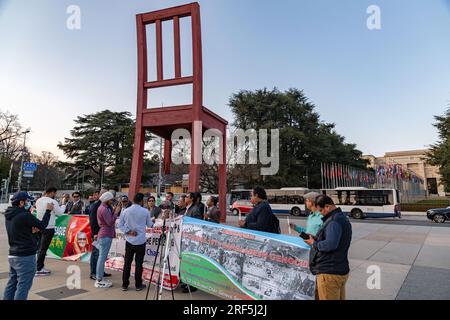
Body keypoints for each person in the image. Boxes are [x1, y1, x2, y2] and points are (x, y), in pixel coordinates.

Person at [3, 192, 54, 300]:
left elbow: (20, 231)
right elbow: (42, 225)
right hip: (25, 256)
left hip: (13, 254)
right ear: (21, 202)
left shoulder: (9, 215)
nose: (30, 203)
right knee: (23, 286)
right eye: (28, 201)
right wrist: (48, 211)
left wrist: (32, 232)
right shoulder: (24, 215)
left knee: (12, 283)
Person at [304, 195, 352, 300]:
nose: (320, 213)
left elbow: (330, 244)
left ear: (327, 207)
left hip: (329, 273)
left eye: (321, 210)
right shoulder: (341, 218)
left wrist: (314, 243)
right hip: (338, 269)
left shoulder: (333, 221)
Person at [118, 193, 153, 291]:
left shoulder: (126, 211)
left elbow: (120, 225)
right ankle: (138, 284)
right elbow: (150, 225)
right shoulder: (145, 211)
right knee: (139, 264)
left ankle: (124, 284)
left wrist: (128, 231)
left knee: (127, 263)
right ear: (142, 201)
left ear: (133, 200)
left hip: (129, 240)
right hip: (141, 241)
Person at [35, 187, 67, 276]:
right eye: (55, 193)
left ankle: (38, 266)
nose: (55, 195)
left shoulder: (39, 200)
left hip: (40, 226)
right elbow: (60, 213)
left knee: (39, 248)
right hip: (49, 227)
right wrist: (63, 204)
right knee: (43, 249)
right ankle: (39, 268)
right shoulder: (52, 201)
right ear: (52, 192)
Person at [95, 191, 117, 288]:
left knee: (101, 257)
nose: (112, 201)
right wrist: (116, 213)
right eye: (111, 200)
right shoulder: (104, 209)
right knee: (102, 258)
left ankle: (99, 278)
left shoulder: (103, 208)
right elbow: (110, 222)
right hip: (105, 234)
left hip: (104, 234)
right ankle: (99, 279)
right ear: (107, 200)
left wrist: (113, 211)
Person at [88, 188, 111, 280]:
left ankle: (100, 271)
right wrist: (94, 234)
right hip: (97, 233)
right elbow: (92, 221)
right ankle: (94, 272)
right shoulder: (96, 206)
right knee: (96, 253)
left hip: (103, 233)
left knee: (101, 254)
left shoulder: (106, 205)